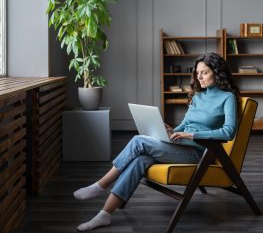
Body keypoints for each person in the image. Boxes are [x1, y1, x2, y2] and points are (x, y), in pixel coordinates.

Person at [74, 52, 240, 231]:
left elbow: (228, 132)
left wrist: (190, 136)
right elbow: (185, 124)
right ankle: (104, 214)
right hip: (179, 145)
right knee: (139, 160)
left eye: (204, 72)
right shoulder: (197, 97)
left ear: (217, 72)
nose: (199, 77)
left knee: (139, 141)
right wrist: (171, 131)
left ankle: (102, 184)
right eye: (197, 72)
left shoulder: (227, 98)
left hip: (198, 152)